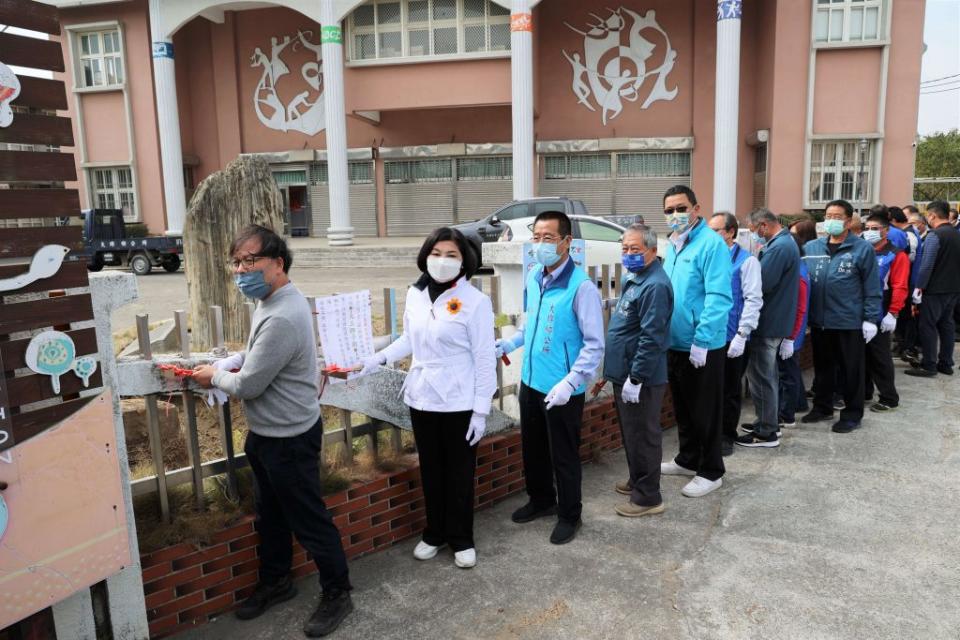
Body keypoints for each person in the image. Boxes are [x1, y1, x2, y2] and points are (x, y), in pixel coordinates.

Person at [192, 225, 353, 637]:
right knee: (271, 518)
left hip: (289, 438)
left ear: (277, 263)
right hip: (267, 434)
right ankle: (277, 582)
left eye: (250, 261)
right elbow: (258, 351)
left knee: (309, 520)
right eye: (236, 262)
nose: (240, 269)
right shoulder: (271, 300)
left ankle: (338, 593)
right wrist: (234, 359)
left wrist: (215, 375)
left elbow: (249, 385)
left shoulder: (282, 312)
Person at [358, 227, 495, 568]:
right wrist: (380, 358)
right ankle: (434, 532)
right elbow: (409, 339)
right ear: (425, 256)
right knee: (431, 470)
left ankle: (461, 538)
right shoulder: (416, 294)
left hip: (459, 401)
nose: (442, 261)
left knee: (459, 473)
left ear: (465, 261)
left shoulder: (476, 302)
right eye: (436, 254)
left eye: (451, 255)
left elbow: (483, 358)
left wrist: (480, 411)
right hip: (422, 399)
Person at [497, 210, 604, 544]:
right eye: (536, 237)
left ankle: (570, 514)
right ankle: (541, 500)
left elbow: (594, 345)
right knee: (533, 449)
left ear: (567, 242)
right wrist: (511, 341)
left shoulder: (581, 287)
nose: (540, 244)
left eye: (548, 238)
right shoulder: (535, 276)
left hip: (561, 389)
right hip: (531, 381)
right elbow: (533, 323)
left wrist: (571, 382)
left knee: (564, 455)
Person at [595, 224, 673, 517]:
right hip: (625, 371)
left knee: (644, 435)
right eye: (625, 249)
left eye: (635, 249)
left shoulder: (655, 285)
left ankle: (648, 497)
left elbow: (652, 336)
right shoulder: (638, 278)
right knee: (632, 432)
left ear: (653, 250)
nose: (628, 254)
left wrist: (636, 377)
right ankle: (637, 479)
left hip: (640, 376)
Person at [660, 185, 732, 497]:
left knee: (705, 409)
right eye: (669, 210)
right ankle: (688, 458)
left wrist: (702, 340)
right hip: (674, 342)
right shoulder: (673, 246)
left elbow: (718, 296)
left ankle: (711, 469)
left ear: (696, 208)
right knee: (683, 407)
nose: (675, 215)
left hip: (701, 344)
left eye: (680, 208)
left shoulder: (710, 245)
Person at [801, 200, 882, 434]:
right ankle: (822, 407)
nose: (831, 220)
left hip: (848, 320)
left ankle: (852, 413)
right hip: (820, 321)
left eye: (837, 217)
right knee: (824, 368)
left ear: (848, 221)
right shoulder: (813, 247)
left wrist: (870, 318)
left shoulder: (861, 248)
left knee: (851, 371)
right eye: (828, 215)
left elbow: (872, 286)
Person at [736, 209, 800, 449]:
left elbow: (761, 283)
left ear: (763, 226)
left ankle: (766, 431)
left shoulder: (780, 247)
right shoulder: (783, 244)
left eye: (753, 230)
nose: (753, 235)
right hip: (774, 320)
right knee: (766, 375)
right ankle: (767, 420)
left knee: (761, 377)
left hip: (768, 321)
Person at [706, 212, 762, 456]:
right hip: (709, 336)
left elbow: (753, 299)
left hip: (732, 337)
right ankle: (709, 433)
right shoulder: (709, 258)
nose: (711, 236)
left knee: (729, 390)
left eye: (716, 230)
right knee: (710, 390)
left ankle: (726, 435)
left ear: (730, 232)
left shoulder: (746, 261)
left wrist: (742, 334)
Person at [905, 200, 960, 377]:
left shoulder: (935, 236)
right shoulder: (957, 234)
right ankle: (946, 363)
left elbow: (927, 265)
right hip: (953, 288)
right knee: (947, 325)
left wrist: (919, 286)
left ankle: (929, 365)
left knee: (927, 325)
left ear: (932, 216)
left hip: (934, 288)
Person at [862, 214, 908, 412]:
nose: (871, 232)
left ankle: (889, 397)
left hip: (882, 311)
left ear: (886, 231)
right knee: (861, 355)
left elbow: (900, 285)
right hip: (860, 311)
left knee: (879, 356)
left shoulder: (896, 255)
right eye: (868, 227)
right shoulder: (863, 250)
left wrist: (893, 312)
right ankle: (863, 392)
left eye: (875, 228)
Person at [778, 219, 814, 428]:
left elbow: (800, 308)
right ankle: (797, 404)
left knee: (788, 374)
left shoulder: (798, 273)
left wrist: (791, 338)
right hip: (793, 332)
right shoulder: (799, 267)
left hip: (792, 334)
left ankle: (787, 414)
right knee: (790, 373)